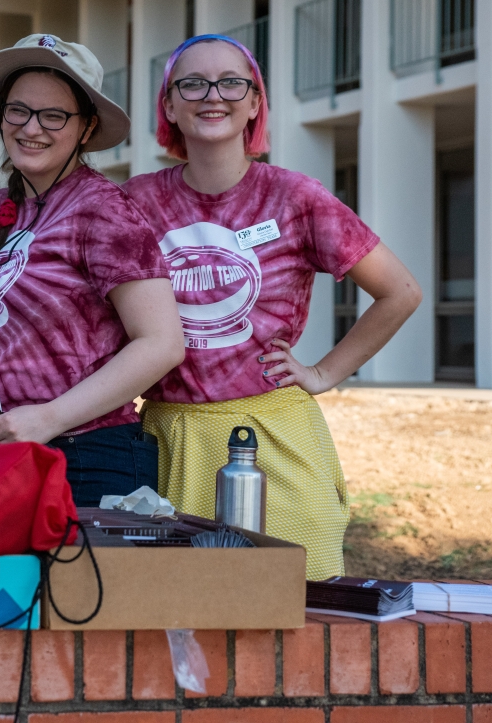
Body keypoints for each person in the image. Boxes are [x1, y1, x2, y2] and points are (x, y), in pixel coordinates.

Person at [124, 34, 420, 577]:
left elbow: (399, 292)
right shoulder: (135, 202)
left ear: (256, 101)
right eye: (191, 82)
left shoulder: (296, 197)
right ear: (168, 104)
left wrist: (324, 373)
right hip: (166, 439)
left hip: (270, 443)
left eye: (231, 82)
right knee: (175, 619)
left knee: (293, 607)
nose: (212, 95)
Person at [0, 34, 185, 507]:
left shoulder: (104, 211)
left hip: (88, 458)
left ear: (86, 127)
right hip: (1, 453)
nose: (32, 127)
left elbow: (162, 343)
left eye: (54, 115)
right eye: (18, 110)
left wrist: (50, 417)